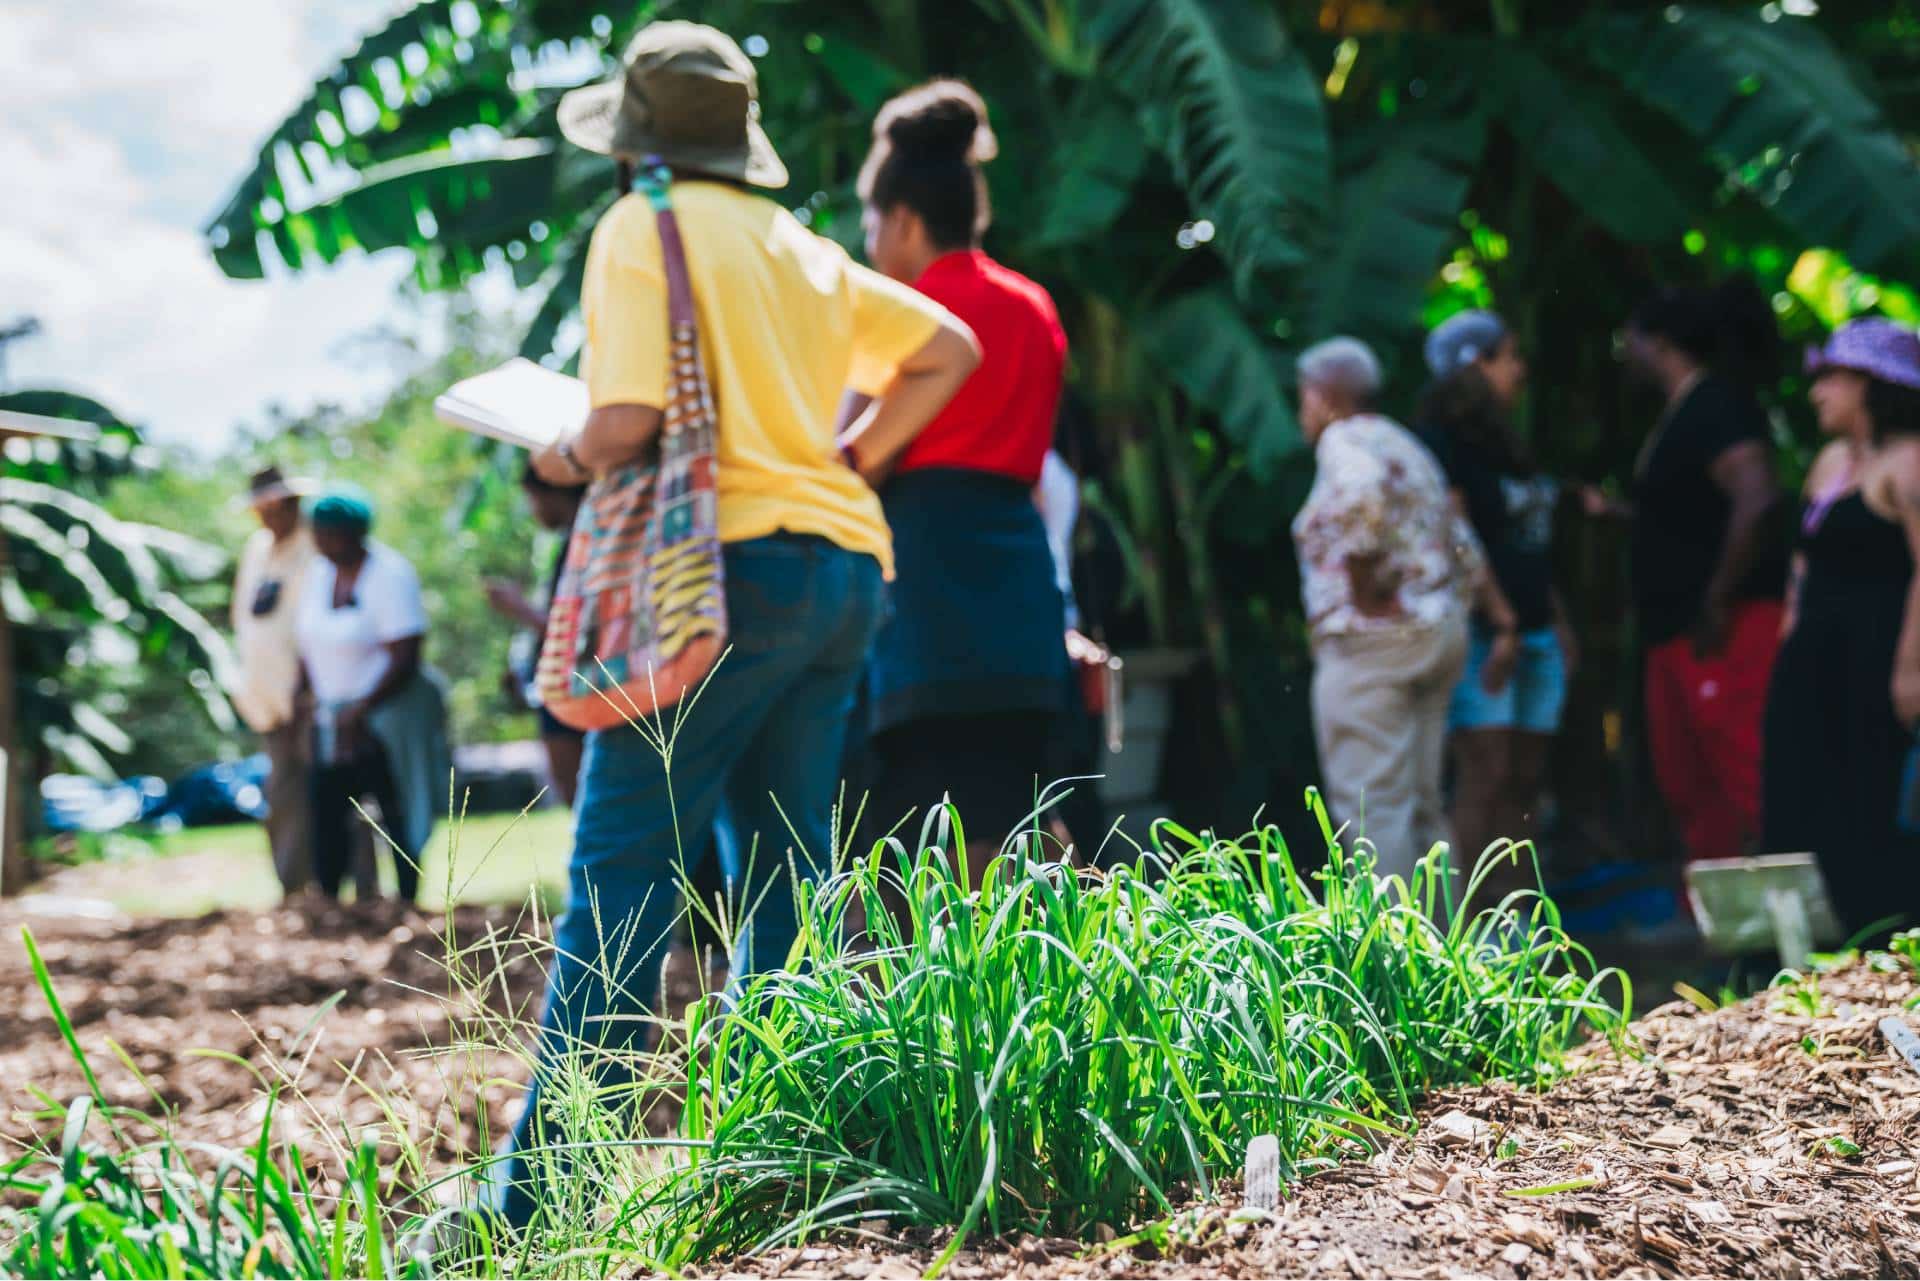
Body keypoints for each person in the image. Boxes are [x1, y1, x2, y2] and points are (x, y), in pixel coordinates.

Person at [499, 21, 978, 1228]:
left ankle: (541, 1201)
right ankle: (796, 1162)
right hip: (837, 573)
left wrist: (558, 447)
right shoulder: (802, 245)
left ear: (635, 142)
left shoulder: (637, 225)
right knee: (785, 876)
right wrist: (847, 461)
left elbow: (620, 421)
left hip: (717, 578)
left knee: (622, 871)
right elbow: (947, 348)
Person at [849, 79, 1070, 871]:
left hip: (926, 576)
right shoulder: (1035, 305)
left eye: (873, 223)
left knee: (923, 825)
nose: (870, 243)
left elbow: (856, 450)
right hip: (1018, 569)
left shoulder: (902, 311)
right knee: (1022, 811)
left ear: (904, 219)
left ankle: (944, 994)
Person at [1291, 338, 1492, 885]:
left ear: (1323, 395)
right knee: (1421, 804)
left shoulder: (1344, 441)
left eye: (1303, 398)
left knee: (1372, 809)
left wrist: (1364, 588)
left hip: (1373, 643)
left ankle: (1396, 961)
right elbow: (1462, 540)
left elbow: (1362, 495)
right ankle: (1444, 952)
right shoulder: (1405, 443)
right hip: (1436, 632)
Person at [1602, 283, 1787, 862]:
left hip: (1720, 624)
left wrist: (1716, 598)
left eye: (1629, 339)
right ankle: (1722, 925)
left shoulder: (1715, 404)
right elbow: (1689, 514)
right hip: (1680, 627)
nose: (1623, 351)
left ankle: (1794, 925)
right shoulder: (1683, 409)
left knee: (1743, 768)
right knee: (1691, 782)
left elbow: (1756, 499)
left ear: (1658, 342)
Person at [1763, 319, 1920, 942]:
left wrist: (1910, 671)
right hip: (1813, 662)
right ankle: (1797, 945)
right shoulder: (1829, 461)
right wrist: (1788, 637)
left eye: (1832, 376)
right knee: (1800, 788)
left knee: (1868, 795)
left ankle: (1877, 938)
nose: (1817, 391)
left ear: (1873, 384)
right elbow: (1803, 561)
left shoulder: (1910, 462)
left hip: (1876, 664)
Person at [1418, 311, 1574, 878]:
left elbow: (1526, 544)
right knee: (1486, 770)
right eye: (1508, 356)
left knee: (1524, 775)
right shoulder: (1439, 444)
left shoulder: (1507, 443)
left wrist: (1554, 620)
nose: (1520, 369)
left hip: (1533, 630)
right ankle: (1467, 923)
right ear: (1474, 364)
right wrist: (1502, 621)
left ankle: (1514, 915)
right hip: (1486, 634)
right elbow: (1457, 540)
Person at [294, 487, 449, 905]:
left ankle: (407, 901)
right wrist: (309, 702)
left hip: (385, 716)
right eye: (318, 532)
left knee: (395, 809)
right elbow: (307, 644)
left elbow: (406, 654)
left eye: (331, 532)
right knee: (327, 811)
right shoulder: (319, 575)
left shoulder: (389, 575)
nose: (322, 541)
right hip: (332, 714)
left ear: (354, 533)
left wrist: (362, 710)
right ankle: (329, 901)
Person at [229, 466, 317, 896]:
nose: (268, 517)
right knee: (283, 797)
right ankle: (293, 888)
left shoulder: (316, 546)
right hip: (268, 702)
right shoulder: (257, 550)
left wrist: (309, 689)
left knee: (329, 797)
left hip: (312, 700)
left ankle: (345, 888)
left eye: (275, 507)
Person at [486, 462, 588, 808]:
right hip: (562, 690)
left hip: (582, 692)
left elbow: (580, 630)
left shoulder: (586, 544)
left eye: (532, 498)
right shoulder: (566, 544)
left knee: (583, 802)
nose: (533, 510)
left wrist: (519, 609)